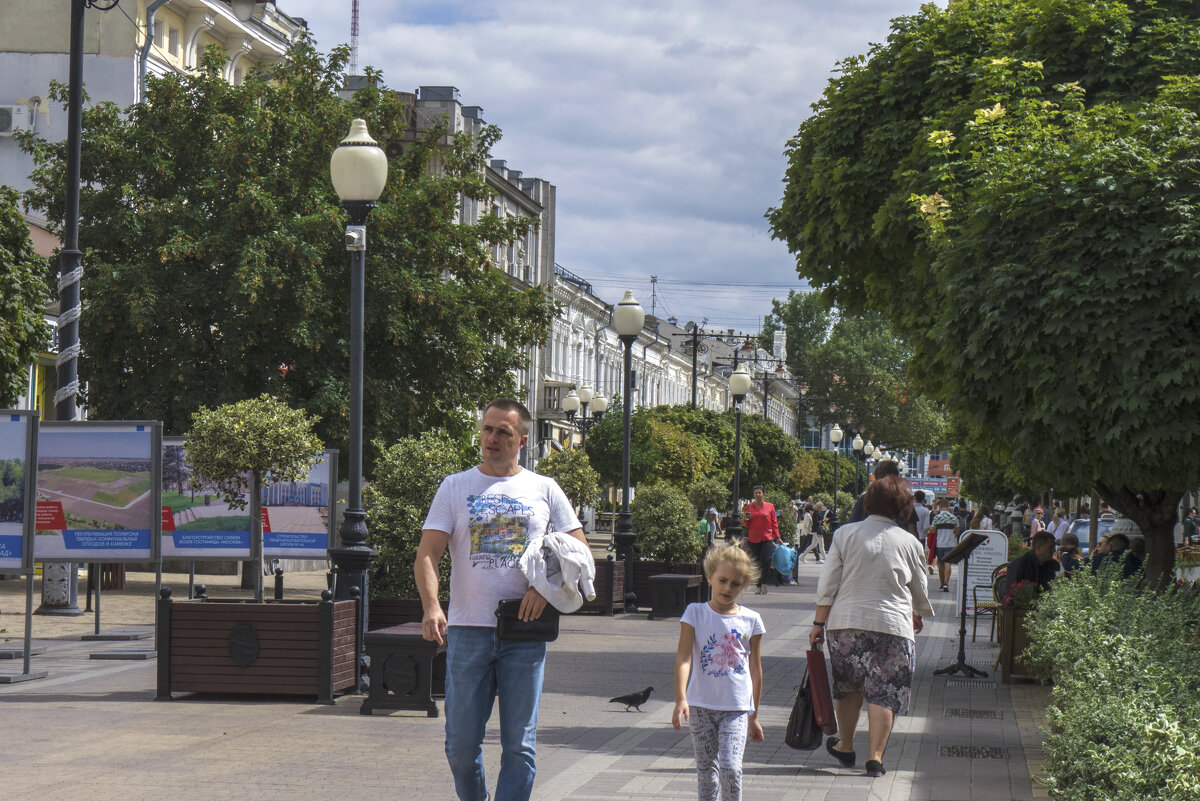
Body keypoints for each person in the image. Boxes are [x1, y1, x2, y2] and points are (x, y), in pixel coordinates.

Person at [415, 399, 586, 801]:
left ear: (522, 440)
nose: (492, 438)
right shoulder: (455, 486)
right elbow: (427, 553)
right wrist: (431, 605)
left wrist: (543, 589)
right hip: (467, 630)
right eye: (488, 429)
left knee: (519, 747)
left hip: (525, 632)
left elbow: (579, 551)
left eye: (503, 432)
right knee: (459, 746)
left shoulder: (544, 488)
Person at [809, 475, 934, 779]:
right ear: (904, 508)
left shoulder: (844, 534)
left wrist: (817, 624)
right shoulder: (910, 542)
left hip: (846, 623)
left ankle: (846, 745)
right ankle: (875, 757)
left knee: (848, 686)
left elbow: (829, 584)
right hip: (893, 625)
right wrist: (916, 612)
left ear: (868, 502)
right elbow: (919, 588)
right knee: (885, 693)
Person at [672, 544, 765, 801]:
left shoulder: (752, 620)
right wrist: (681, 698)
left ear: (744, 585)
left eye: (735, 583)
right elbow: (684, 658)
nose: (727, 588)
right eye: (722, 580)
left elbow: (756, 670)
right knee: (706, 771)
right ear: (710, 576)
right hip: (700, 706)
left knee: (731, 768)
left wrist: (754, 716)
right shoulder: (695, 613)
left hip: (735, 708)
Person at [742, 485, 783, 593]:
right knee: (756, 562)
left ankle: (763, 583)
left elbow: (774, 523)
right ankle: (757, 585)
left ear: (763, 494)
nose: (758, 495)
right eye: (756, 493)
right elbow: (745, 523)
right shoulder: (749, 507)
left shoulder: (770, 506)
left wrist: (777, 536)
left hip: (767, 538)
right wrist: (746, 518)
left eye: (760, 492)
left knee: (765, 560)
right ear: (753, 495)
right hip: (754, 538)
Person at [930, 499, 960, 592]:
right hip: (950, 544)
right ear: (947, 506)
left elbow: (933, 530)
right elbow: (957, 531)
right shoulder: (953, 518)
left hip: (939, 544)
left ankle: (942, 583)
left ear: (940, 506)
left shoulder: (937, 517)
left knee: (941, 564)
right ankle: (946, 583)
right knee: (948, 564)